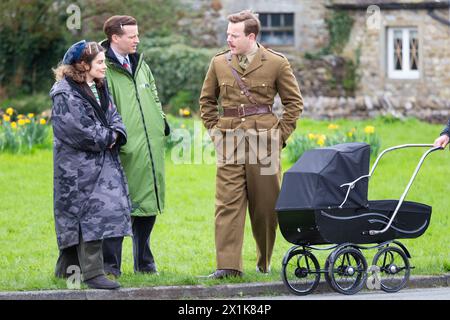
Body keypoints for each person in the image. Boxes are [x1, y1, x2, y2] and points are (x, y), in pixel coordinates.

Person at [199, 10, 303, 279]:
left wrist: (279, 137)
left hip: (264, 143)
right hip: (229, 141)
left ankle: (264, 260)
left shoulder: (277, 63)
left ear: (251, 36)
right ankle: (228, 266)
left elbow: (294, 104)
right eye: (227, 34)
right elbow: (207, 102)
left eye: (234, 35)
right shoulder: (219, 63)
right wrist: (214, 132)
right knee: (227, 204)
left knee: (266, 206)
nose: (228, 39)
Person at [50, 40, 132, 289]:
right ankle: (93, 273)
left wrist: (116, 134)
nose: (104, 66)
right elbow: (79, 131)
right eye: (99, 62)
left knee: (93, 214)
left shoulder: (98, 86)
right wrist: (110, 137)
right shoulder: (65, 93)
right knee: (87, 216)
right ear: (82, 65)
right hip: (76, 170)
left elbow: (115, 118)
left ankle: (66, 271)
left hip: (100, 165)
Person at [100, 16, 169, 277]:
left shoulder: (141, 64)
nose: (137, 40)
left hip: (150, 147)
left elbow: (153, 95)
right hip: (122, 149)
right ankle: (110, 266)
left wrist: (161, 122)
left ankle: (144, 261)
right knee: (117, 208)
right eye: (132, 36)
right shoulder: (102, 67)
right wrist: (115, 137)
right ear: (115, 38)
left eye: (137, 35)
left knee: (147, 205)